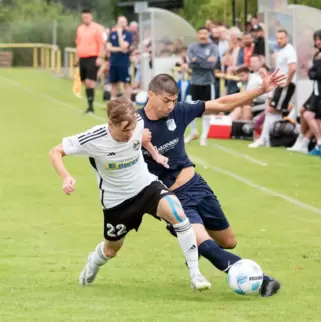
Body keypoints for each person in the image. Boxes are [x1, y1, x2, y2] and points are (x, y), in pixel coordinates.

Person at [138, 70, 286, 297]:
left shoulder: (179, 112)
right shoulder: (136, 125)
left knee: (228, 242)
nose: (170, 106)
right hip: (171, 198)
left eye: (174, 101)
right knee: (207, 244)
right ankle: (264, 281)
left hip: (197, 186)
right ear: (150, 95)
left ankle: (191, 244)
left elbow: (222, 103)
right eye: (166, 101)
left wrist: (260, 90)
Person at [48, 97, 211, 290]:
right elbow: (55, 152)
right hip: (117, 201)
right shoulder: (93, 138)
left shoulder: (137, 123)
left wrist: (155, 154)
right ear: (111, 124)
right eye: (125, 130)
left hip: (145, 185)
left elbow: (141, 137)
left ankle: (196, 275)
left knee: (178, 215)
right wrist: (66, 177)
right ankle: (94, 261)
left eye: (132, 128)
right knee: (111, 250)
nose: (130, 134)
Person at [75, 9, 105, 114]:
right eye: (83, 17)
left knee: (89, 82)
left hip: (92, 57)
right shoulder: (80, 29)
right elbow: (78, 43)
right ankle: (90, 102)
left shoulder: (97, 29)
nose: (85, 19)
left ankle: (90, 107)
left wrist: (100, 57)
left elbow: (101, 43)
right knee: (84, 81)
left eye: (87, 17)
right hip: (82, 57)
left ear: (91, 17)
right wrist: (76, 57)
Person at [106, 16, 133, 100]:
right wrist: (120, 49)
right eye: (120, 22)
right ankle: (112, 102)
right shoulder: (112, 34)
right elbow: (108, 47)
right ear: (117, 22)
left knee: (126, 83)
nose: (122, 23)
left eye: (124, 22)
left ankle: (128, 102)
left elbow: (124, 46)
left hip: (124, 63)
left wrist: (120, 34)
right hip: (113, 62)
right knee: (113, 83)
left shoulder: (128, 34)